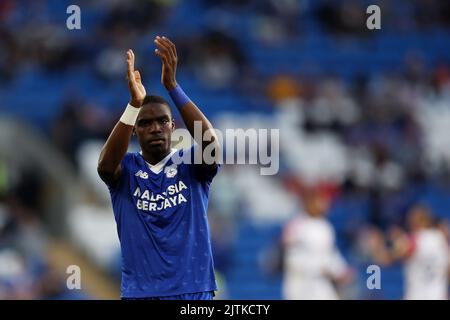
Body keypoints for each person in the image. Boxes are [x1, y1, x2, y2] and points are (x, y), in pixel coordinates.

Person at [97, 36, 221, 300]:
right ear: (134, 131)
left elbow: (211, 146)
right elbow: (105, 167)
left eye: (162, 121)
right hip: (141, 293)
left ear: (172, 126)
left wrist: (172, 87)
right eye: (145, 123)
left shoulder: (190, 164)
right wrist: (133, 105)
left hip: (193, 290)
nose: (155, 127)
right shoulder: (126, 170)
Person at [281, 189, 353, 300]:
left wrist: (341, 270)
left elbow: (330, 254)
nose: (323, 205)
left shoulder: (325, 226)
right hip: (300, 282)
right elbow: (292, 257)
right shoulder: (297, 224)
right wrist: (320, 268)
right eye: (320, 201)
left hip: (320, 282)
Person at [368, 205, 450, 300]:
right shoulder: (441, 240)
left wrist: (382, 242)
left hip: (417, 295)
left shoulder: (415, 239)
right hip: (438, 295)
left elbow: (388, 258)